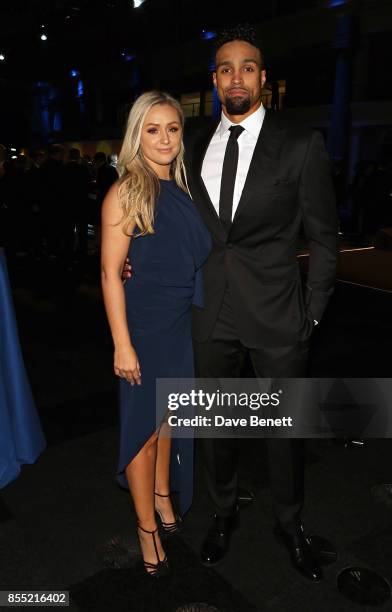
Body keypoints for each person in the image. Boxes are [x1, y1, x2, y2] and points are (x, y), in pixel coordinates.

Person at [183, 25, 338, 581]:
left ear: (264, 78)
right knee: (214, 426)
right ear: (215, 79)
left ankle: (290, 523)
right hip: (209, 310)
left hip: (278, 315)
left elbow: (324, 237)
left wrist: (312, 312)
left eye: (248, 66)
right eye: (226, 68)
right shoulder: (192, 142)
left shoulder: (300, 145)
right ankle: (223, 512)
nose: (237, 77)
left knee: (285, 430)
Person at [101, 91, 211, 578]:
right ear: (136, 135)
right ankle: (146, 529)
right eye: (153, 129)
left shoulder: (183, 189)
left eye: (172, 128)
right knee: (145, 432)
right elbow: (109, 274)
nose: (164, 138)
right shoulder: (128, 190)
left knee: (169, 420)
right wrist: (122, 344)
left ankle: (165, 495)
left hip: (178, 323)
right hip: (143, 327)